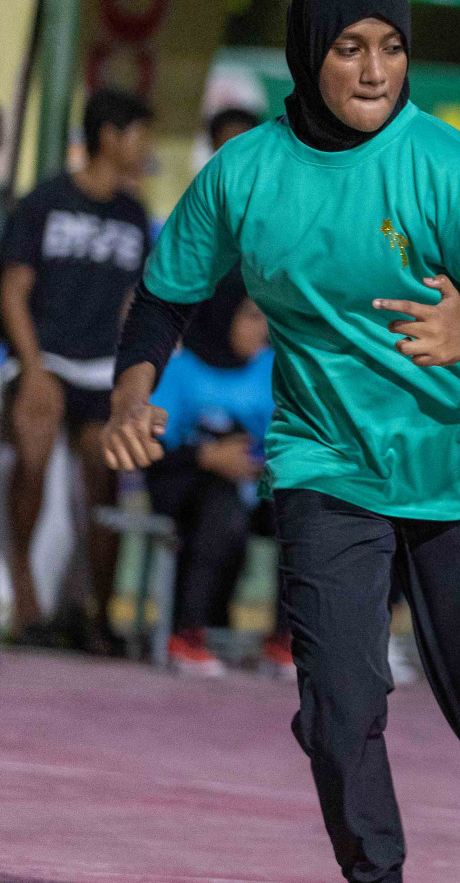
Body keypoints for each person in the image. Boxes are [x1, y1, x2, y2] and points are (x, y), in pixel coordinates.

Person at [102, 0, 460, 881]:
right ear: (312, 56)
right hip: (326, 464)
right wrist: (131, 392)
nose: (376, 70)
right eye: (350, 49)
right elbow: (161, 297)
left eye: (391, 48)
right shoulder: (247, 173)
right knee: (338, 710)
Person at [1, 88, 152, 653]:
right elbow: (13, 291)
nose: (147, 149)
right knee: (36, 439)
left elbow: (133, 305)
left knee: (106, 463)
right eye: (140, 135)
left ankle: (97, 615)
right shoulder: (45, 201)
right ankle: (27, 605)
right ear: (109, 137)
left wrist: (130, 379)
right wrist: (33, 367)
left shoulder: (134, 214)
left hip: (100, 371)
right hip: (46, 360)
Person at [147, 272, 293, 679]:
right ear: (222, 313)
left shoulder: (271, 368)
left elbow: (290, 437)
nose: (261, 329)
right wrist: (208, 456)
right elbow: (152, 448)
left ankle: (287, 639)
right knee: (220, 505)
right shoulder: (180, 369)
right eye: (251, 316)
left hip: (255, 480)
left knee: (301, 511)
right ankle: (188, 633)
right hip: (189, 482)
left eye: (265, 318)